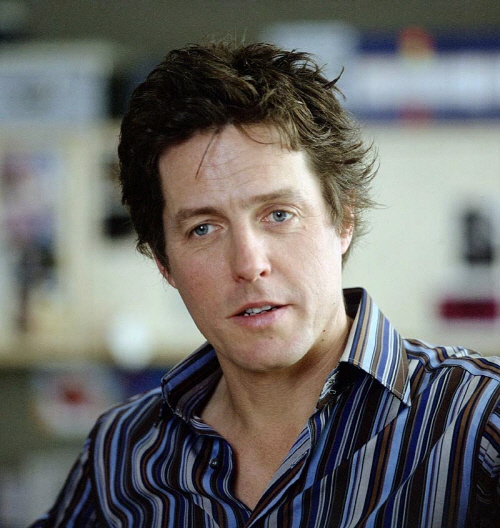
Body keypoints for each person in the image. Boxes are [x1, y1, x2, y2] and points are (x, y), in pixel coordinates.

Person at [30, 40, 500, 528]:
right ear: (164, 263)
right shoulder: (121, 453)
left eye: (278, 214)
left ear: (343, 220)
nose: (249, 264)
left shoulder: (480, 422)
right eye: (203, 229)